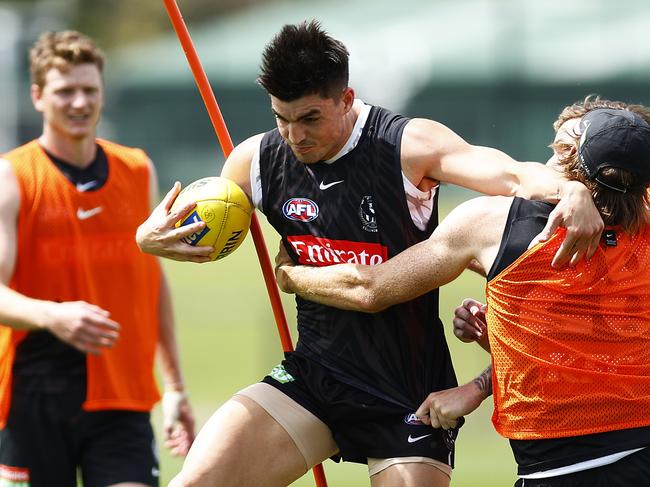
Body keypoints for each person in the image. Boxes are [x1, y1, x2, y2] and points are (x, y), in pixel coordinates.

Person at [137, 21, 603, 487]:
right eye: (282, 117)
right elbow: (199, 226)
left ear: (345, 98)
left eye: (310, 119)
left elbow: (512, 174)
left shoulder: (407, 145)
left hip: (408, 395)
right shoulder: (255, 160)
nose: (294, 135)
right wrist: (150, 239)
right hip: (313, 378)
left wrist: (571, 191)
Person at [275, 96, 650, 486]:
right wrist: (485, 376)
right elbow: (591, 353)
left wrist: (290, 275)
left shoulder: (492, 224)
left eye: (559, 148)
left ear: (567, 155)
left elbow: (370, 288)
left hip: (562, 470)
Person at [0, 31, 195, 487]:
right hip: (33, 396)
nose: (79, 101)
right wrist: (53, 316)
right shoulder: (12, 177)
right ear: (37, 97)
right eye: (65, 90)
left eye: (89, 89)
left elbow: (153, 283)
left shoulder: (137, 169)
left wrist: (177, 387)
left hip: (121, 396)